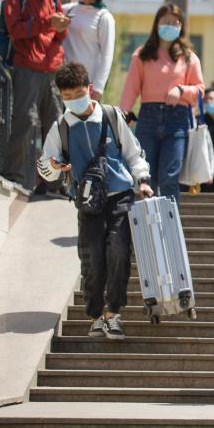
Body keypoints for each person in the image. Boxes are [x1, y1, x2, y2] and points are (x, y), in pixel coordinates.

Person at [36, 63, 153, 340]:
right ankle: (95, 315)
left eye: (78, 93)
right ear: (61, 97)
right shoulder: (61, 127)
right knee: (92, 257)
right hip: (88, 201)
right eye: (67, 96)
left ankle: (113, 313)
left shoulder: (111, 116)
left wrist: (143, 179)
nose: (73, 100)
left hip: (120, 195)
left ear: (89, 89)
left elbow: (133, 153)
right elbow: (45, 166)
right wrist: (53, 166)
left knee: (118, 250)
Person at [120, 3, 205, 203]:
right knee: (145, 177)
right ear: (156, 24)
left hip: (178, 121)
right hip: (148, 118)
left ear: (181, 27)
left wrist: (182, 90)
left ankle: (169, 230)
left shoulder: (189, 57)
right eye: (166, 22)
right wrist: (123, 115)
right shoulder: (142, 55)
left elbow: (200, 91)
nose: (171, 26)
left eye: (175, 23)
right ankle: (144, 230)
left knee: (169, 177)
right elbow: (130, 89)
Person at [0, 0, 69, 187]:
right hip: (26, 67)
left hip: (51, 71)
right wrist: (47, 23)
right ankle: (14, 176)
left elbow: (60, 35)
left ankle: (53, 183)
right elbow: (15, 30)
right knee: (25, 122)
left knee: (55, 126)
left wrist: (60, 27)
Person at [62, 0, 115, 101]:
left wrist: (98, 87)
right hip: (63, 83)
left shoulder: (104, 17)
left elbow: (107, 55)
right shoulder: (67, 9)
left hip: (87, 86)